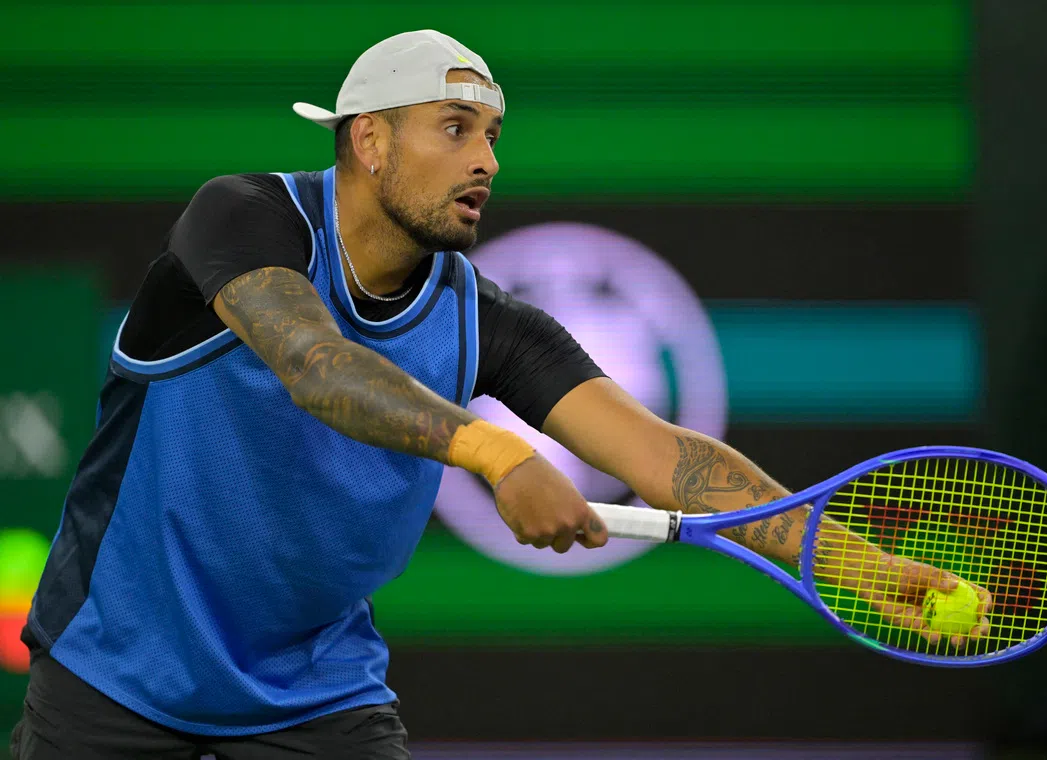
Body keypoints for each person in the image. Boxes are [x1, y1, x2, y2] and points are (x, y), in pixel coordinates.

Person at [9, 29, 987, 760]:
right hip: (112, 674)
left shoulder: (490, 322)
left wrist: (859, 566)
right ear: (369, 141)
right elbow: (315, 365)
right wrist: (496, 451)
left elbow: (660, 456)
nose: (488, 160)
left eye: (493, 134)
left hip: (313, 695)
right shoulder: (243, 217)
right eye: (456, 127)